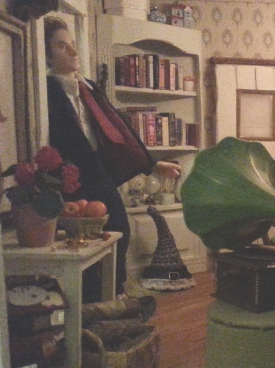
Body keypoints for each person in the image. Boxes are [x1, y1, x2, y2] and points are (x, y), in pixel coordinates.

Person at [44, 16, 181, 300]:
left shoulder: (88, 87)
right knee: (80, 242)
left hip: (98, 170)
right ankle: (89, 300)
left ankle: (116, 292)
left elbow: (118, 127)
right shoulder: (47, 91)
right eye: (61, 46)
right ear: (47, 55)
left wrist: (153, 164)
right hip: (70, 176)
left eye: (72, 44)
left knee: (119, 229)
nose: (73, 51)